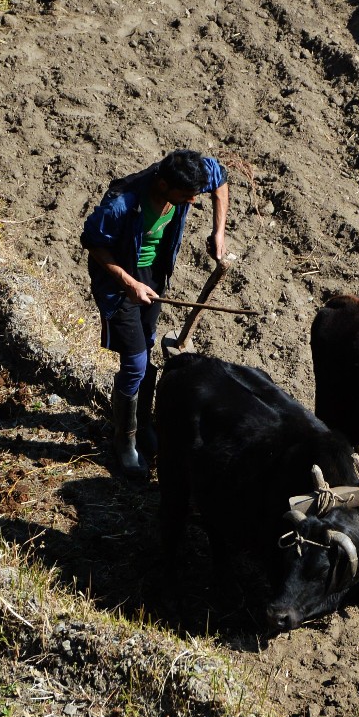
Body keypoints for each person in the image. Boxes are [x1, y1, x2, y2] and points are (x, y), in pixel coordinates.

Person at [81, 148, 230, 478]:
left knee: (146, 348)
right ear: (163, 185)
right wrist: (129, 282)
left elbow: (220, 180)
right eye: (186, 196)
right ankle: (124, 442)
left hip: (153, 274)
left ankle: (144, 423)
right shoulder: (122, 202)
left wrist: (218, 231)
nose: (192, 202)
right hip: (119, 279)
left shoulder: (187, 175)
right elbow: (91, 242)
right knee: (134, 362)